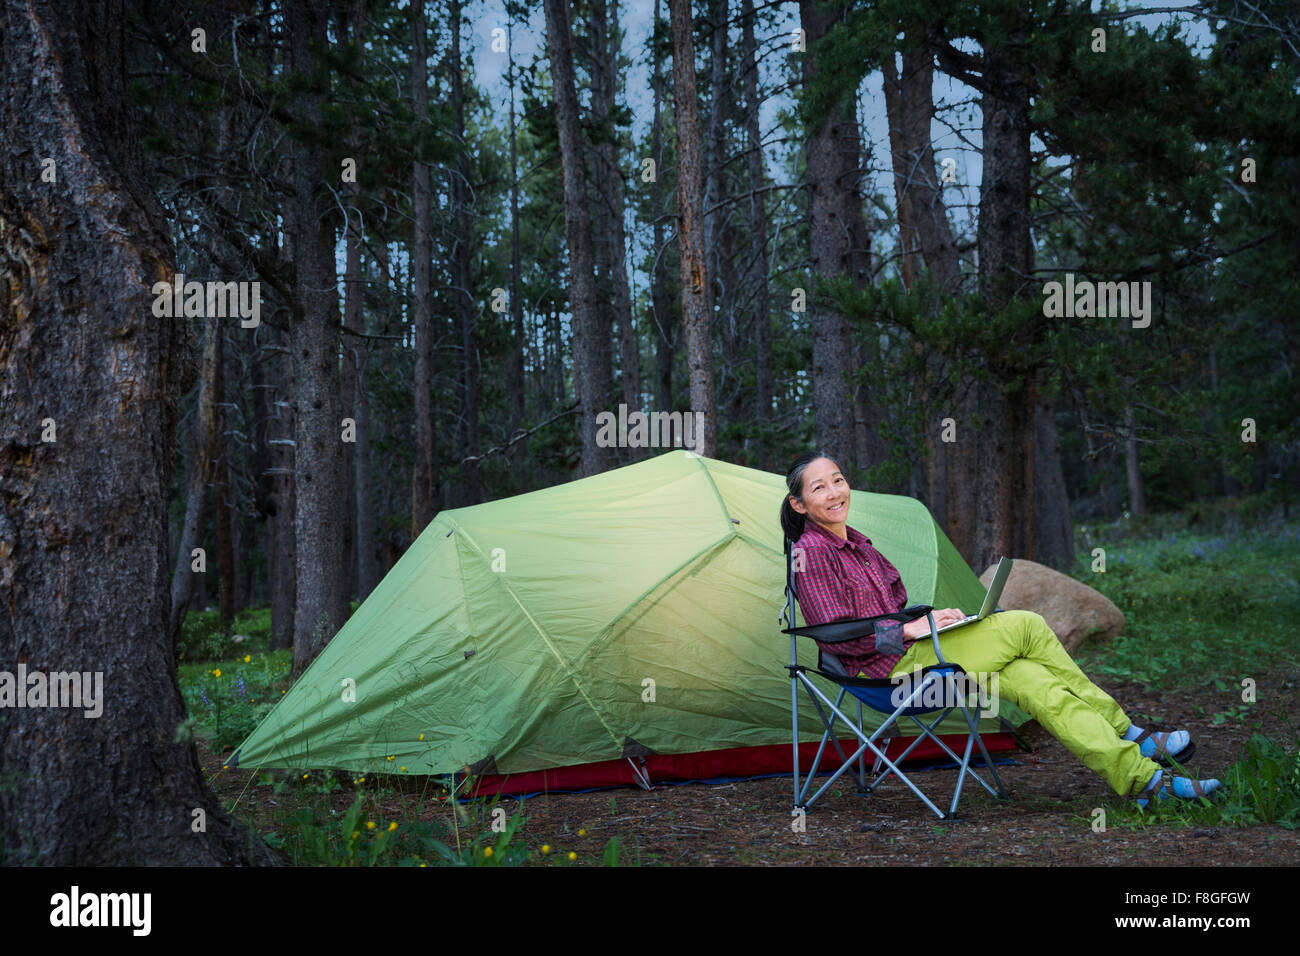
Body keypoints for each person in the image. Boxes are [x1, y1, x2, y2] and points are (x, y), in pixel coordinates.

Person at [779, 450, 1222, 808]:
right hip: (885, 678)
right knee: (1026, 625)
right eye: (819, 487)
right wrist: (914, 631)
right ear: (800, 504)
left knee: (1037, 684)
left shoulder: (858, 543)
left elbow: (893, 608)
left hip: (915, 658)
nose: (835, 491)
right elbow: (835, 633)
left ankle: (1145, 781)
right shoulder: (812, 553)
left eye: (838, 479)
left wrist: (934, 619)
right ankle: (1131, 734)